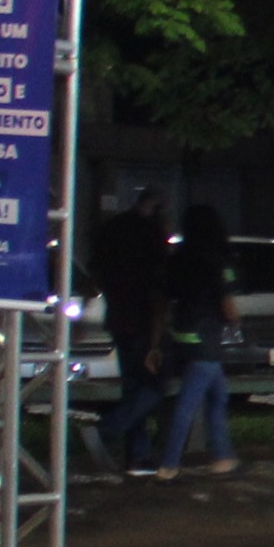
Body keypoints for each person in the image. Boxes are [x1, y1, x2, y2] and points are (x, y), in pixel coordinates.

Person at [150, 204, 240, 479]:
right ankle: (169, 465)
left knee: (217, 396)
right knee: (188, 403)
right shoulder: (218, 262)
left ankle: (222, 457)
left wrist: (155, 343)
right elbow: (227, 306)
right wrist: (235, 321)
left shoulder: (178, 258)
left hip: (181, 335)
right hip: (206, 339)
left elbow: (161, 302)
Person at [90, 188, 172, 474]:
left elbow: (96, 271)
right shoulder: (151, 237)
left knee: (133, 386)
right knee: (154, 384)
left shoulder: (112, 230)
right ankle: (108, 428)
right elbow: (159, 291)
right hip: (143, 321)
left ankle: (137, 455)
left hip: (118, 317)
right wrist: (156, 341)